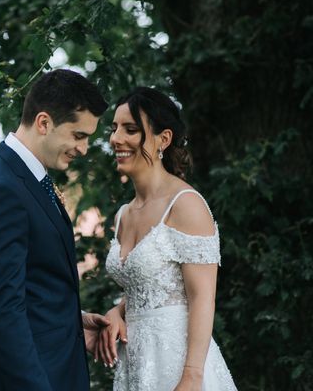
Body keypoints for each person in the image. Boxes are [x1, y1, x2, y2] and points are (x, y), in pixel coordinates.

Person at [0, 69, 110, 391]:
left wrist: (72, 321)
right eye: (78, 135)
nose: (84, 149)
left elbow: (28, 286)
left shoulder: (25, 178)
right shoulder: (2, 189)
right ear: (44, 122)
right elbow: (3, 311)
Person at [99, 87, 237, 390]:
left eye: (131, 129)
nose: (116, 138)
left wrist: (191, 376)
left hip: (177, 363)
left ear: (164, 139)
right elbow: (153, 285)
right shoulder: (123, 214)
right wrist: (118, 311)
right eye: (114, 129)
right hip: (135, 363)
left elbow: (202, 296)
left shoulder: (186, 204)